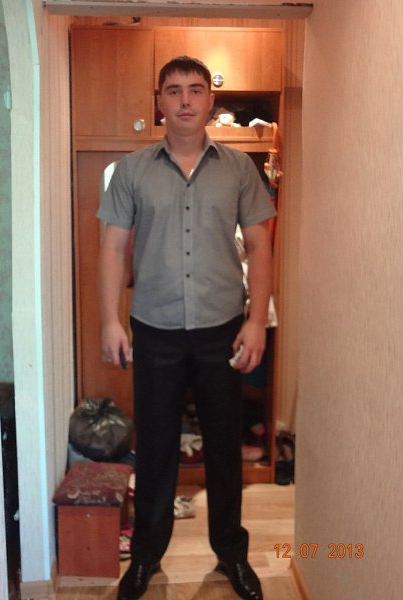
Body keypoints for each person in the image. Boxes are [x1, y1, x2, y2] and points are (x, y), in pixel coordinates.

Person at [97, 56, 276, 600]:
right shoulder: (131, 171)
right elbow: (112, 247)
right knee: (155, 447)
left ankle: (231, 555)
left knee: (223, 446)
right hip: (155, 329)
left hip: (223, 329)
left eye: (195, 90)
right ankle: (145, 557)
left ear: (210, 102)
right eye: (173, 91)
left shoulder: (240, 169)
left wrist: (257, 321)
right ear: (160, 102)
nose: (185, 101)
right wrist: (109, 320)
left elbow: (261, 245)